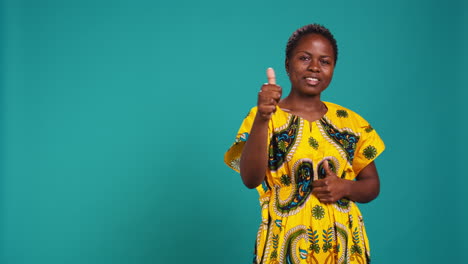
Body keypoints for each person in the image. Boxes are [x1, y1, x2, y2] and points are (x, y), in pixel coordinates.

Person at [224, 24, 385, 264]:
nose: (314, 67)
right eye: (304, 58)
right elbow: (250, 179)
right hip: (283, 245)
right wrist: (262, 118)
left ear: (333, 69)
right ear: (288, 65)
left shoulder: (351, 124)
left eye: (325, 61)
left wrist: (345, 187)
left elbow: (372, 186)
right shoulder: (263, 116)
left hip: (343, 247)